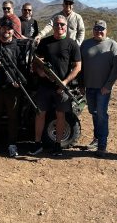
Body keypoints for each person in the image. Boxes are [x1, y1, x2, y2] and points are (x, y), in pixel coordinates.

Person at [30, 14, 81, 156]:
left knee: (61, 116)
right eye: (57, 24)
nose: (60, 27)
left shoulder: (72, 44)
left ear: (66, 26)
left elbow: (78, 67)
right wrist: (40, 72)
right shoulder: (45, 43)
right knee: (40, 114)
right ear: (53, 26)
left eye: (62, 24)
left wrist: (64, 82)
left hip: (62, 88)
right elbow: (35, 63)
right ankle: (37, 144)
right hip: (44, 87)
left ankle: (58, 145)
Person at [80, 20, 117, 157]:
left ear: (106, 30)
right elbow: (81, 66)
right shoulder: (86, 44)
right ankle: (97, 139)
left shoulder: (112, 45)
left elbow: (116, 68)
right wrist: (81, 85)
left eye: (102, 29)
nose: (99, 31)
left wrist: (108, 85)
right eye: (96, 28)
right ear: (93, 29)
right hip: (89, 86)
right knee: (94, 112)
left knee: (102, 114)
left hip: (103, 88)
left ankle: (102, 145)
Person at [0, 17, 25, 158]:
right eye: (3, 28)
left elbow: (22, 67)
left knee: (13, 118)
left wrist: (19, 82)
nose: (6, 31)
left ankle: (12, 145)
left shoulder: (17, 46)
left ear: (12, 30)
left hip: (12, 90)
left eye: (9, 29)